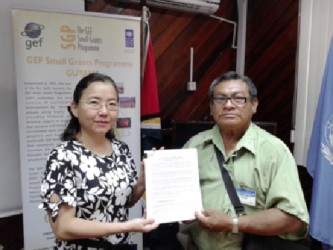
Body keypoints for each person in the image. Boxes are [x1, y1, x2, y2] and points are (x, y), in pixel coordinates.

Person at [179, 71, 309, 250]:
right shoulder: (194, 146)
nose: (229, 105)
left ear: (254, 104)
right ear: (211, 107)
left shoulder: (274, 152)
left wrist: (232, 223)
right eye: (220, 99)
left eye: (238, 98)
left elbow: (292, 218)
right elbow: (178, 200)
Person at [39, 72, 158, 249]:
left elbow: (121, 201)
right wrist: (127, 226)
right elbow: (62, 228)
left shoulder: (121, 150)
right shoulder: (63, 156)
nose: (104, 111)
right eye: (94, 103)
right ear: (74, 108)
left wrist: (142, 182)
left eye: (111, 104)